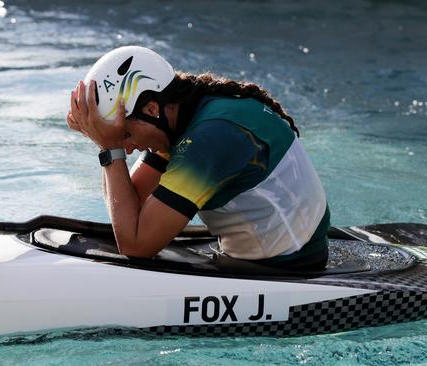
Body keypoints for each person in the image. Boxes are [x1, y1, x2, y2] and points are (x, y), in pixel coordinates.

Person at [66, 46, 330, 270]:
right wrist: (106, 141)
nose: (130, 149)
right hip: (288, 250)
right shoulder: (185, 115)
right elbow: (129, 203)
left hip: (288, 265)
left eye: (126, 134)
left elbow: (135, 246)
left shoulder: (211, 136)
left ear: (151, 109)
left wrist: (109, 148)